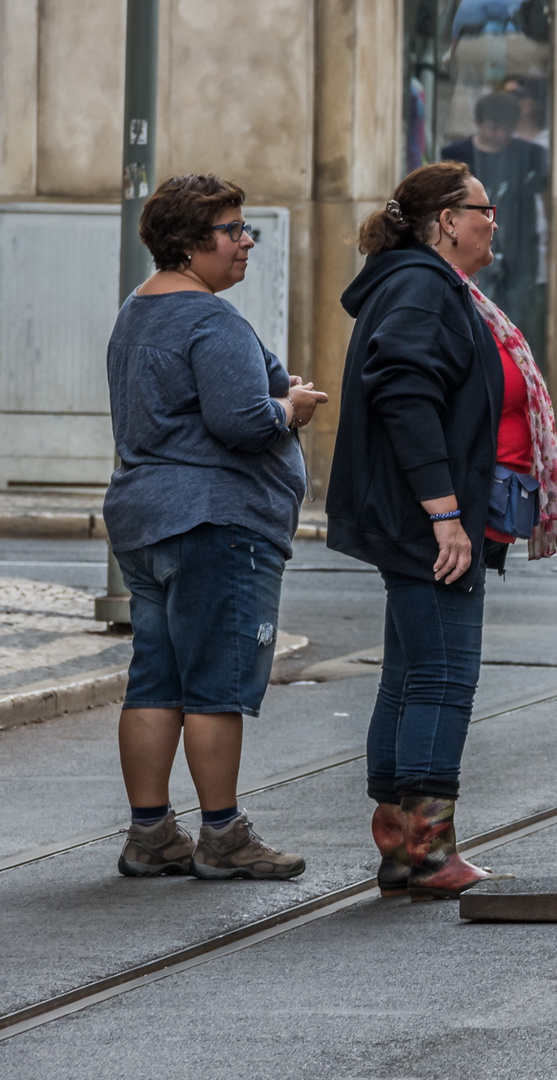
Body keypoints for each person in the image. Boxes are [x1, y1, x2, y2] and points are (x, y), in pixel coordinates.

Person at [327, 160, 557, 900]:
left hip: (425, 517)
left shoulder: (427, 285)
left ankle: (404, 842)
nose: (494, 219)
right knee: (441, 678)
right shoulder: (422, 287)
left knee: (409, 675)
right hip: (428, 521)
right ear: (445, 223)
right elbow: (404, 390)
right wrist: (445, 515)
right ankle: (428, 849)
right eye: (483, 209)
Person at [106, 174, 327, 881]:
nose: (247, 241)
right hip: (216, 521)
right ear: (191, 243)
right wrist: (290, 407)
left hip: (145, 518)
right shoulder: (211, 321)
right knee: (215, 685)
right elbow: (239, 421)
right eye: (233, 230)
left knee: (154, 680)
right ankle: (223, 836)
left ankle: (150, 834)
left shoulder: (135, 312)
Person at [442, 91, 550, 377]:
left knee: (518, 318)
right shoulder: (456, 156)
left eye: (507, 128)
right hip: (466, 250)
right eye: (493, 127)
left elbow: (547, 202)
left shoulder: (531, 155)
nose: (500, 134)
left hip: (519, 250)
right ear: (478, 122)